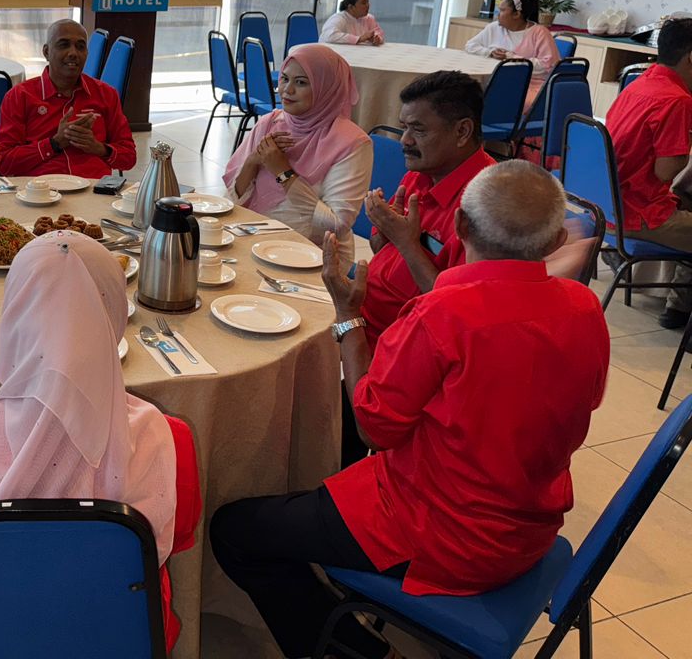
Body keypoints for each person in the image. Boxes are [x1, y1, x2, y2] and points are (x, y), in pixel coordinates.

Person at [211, 160, 609, 659]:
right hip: (531, 526)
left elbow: (373, 425)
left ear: (460, 226)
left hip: (441, 532)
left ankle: (357, 651)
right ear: (556, 242)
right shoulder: (583, 306)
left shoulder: (442, 314)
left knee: (235, 531)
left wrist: (349, 319)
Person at [0, 231, 200, 652]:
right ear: (115, 314)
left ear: (13, 313)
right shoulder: (167, 438)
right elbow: (177, 538)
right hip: (117, 639)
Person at [345, 70, 494, 466]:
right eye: (403, 127)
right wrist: (386, 235)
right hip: (367, 315)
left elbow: (456, 318)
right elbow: (385, 252)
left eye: (418, 130)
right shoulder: (420, 174)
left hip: (400, 348)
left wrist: (408, 244)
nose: (404, 141)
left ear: (462, 131)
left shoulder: (484, 207)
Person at [222, 44, 372, 267]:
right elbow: (231, 200)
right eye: (284, 79)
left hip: (315, 256)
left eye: (301, 82)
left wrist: (282, 172)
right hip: (254, 241)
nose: (287, 90)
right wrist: (253, 161)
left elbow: (336, 224)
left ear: (326, 88)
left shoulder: (351, 142)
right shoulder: (269, 123)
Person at [604, 16, 692, 329]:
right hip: (638, 213)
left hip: (608, 203)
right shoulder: (677, 100)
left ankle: (677, 310)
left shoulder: (640, 82)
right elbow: (666, 171)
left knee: (685, 197)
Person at [0, 20, 137, 179]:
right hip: (40, 189)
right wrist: (54, 143)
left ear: (87, 54)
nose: (73, 53)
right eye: (63, 45)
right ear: (46, 52)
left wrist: (99, 148)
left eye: (80, 47)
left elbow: (129, 158)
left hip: (92, 188)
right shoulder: (20, 96)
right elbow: (5, 163)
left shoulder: (106, 94)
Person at [465, 0, 559, 110]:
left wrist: (510, 57)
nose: (497, 14)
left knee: (487, 100)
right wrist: (490, 52)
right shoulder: (494, 28)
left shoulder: (539, 32)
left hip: (528, 85)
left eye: (502, 10)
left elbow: (548, 65)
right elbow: (470, 45)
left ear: (516, 14)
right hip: (495, 80)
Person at [320, 0, 384, 46]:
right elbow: (329, 35)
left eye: (368, 2)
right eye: (364, 3)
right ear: (351, 7)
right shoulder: (339, 18)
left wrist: (376, 38)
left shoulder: (369, 18)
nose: (368, 5)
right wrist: (359, 39)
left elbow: (379, 33)